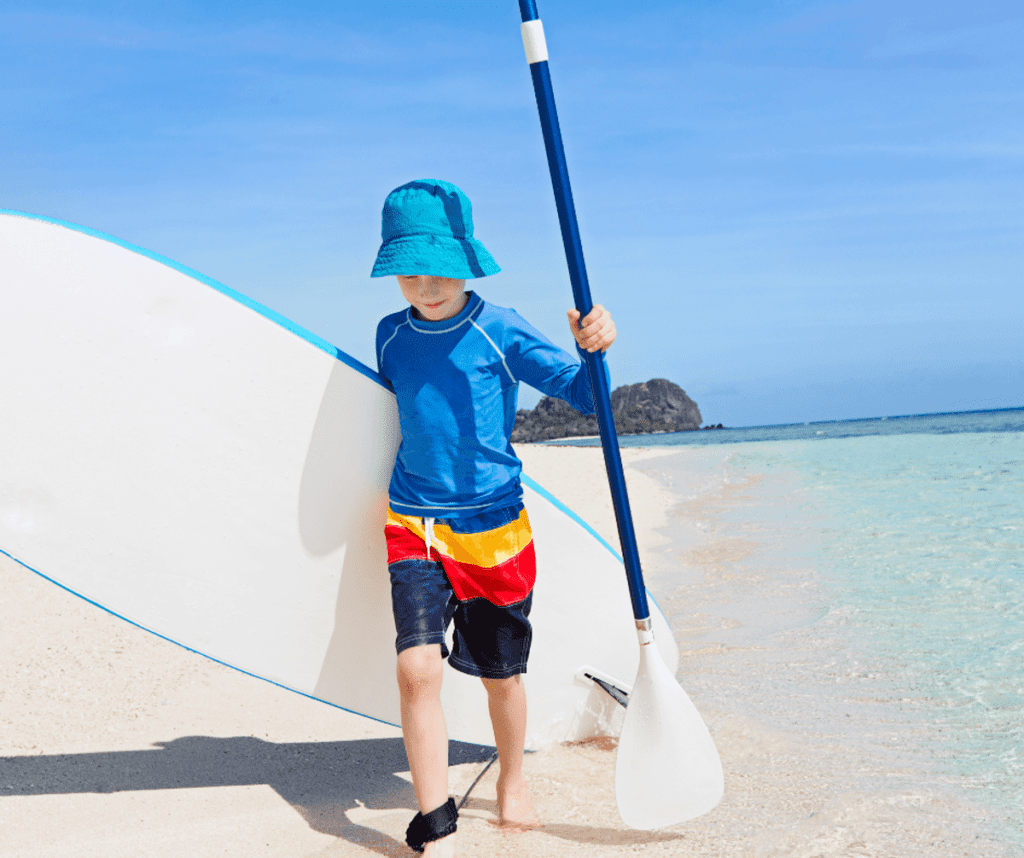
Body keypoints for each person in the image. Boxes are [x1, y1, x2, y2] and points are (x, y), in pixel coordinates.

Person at [371, 179, 615, 856]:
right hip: (413, 522)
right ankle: (435, 818)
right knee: (416, 668)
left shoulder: (497, 326)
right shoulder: (390, 336)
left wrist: (596, 347)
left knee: (500, 675)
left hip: (495, 529)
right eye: (409, 272)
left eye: (439, 268)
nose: (425, 285)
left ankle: (512, 777)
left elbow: (584, 395)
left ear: (467, 259)